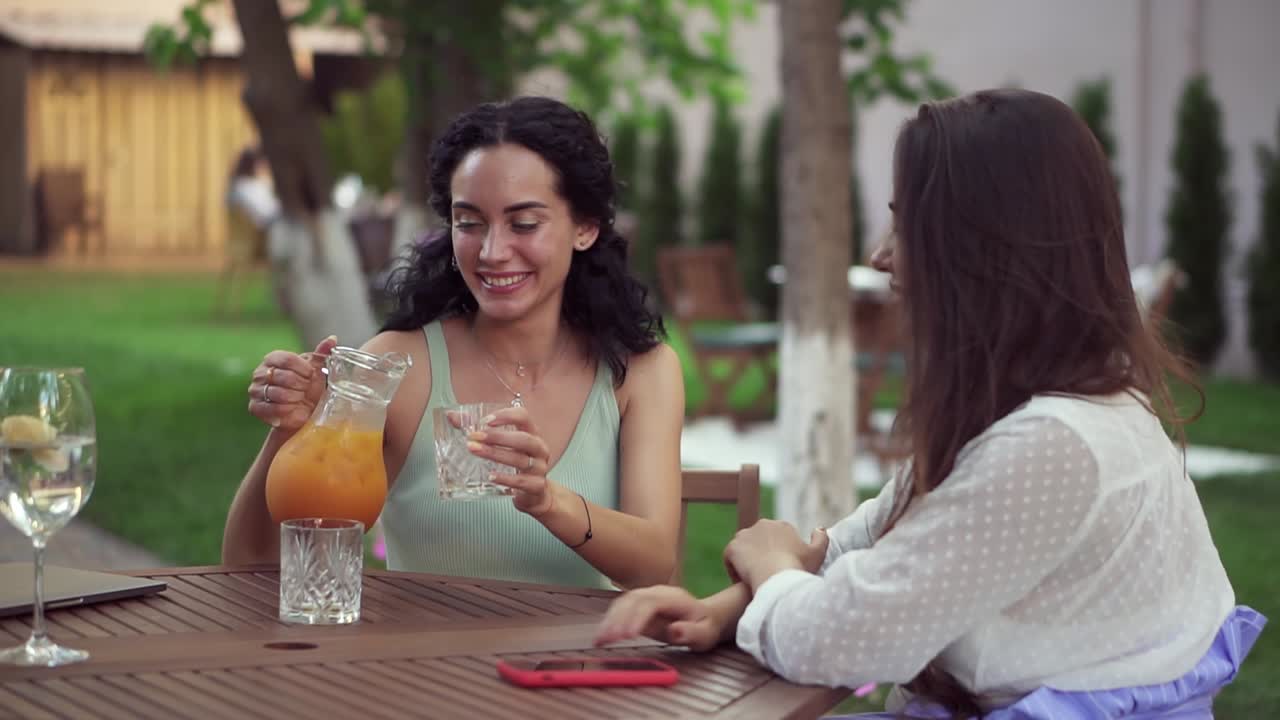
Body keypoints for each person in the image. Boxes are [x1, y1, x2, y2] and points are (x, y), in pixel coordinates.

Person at [594, 89, 1265, 717]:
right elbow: (886, 535)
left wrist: (771, 565)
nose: (881, 257)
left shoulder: (1056, 442)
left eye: (906, 228)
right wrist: (728, 608)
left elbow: (844, 642)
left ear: (986, 252)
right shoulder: (1033, 406)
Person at [222, 97, 685, 590]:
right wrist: (290, 432)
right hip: (421, 664)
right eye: (469, 223)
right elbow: (250, 567)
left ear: (585, 227)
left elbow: (655, 562)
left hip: (578, 666)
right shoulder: (399, 367)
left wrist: (549, 501)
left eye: (524, 224)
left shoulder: (639, 372)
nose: (492, 252)